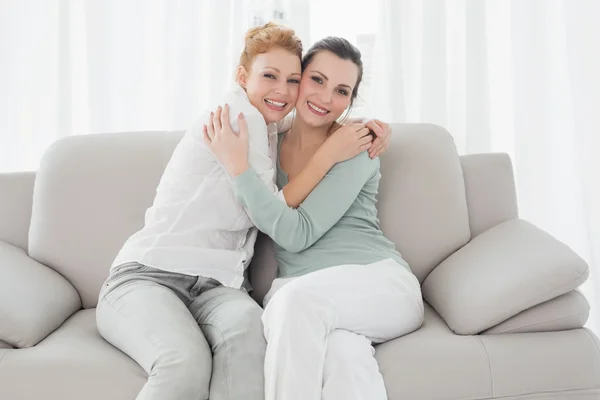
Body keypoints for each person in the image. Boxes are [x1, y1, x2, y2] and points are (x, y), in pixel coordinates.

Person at [96, 23, 380, 400]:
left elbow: (320, 119)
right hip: (150, 276)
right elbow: (271, 212)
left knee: (250, 348)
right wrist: (329, 154)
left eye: (293, 80)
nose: (282, 90)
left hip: (219, 286)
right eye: (269, 76)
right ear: (242, 76)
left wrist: (371, 128)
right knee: (184, 362)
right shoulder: (238, 119)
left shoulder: (270, 126)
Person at [204, 36, 425, 400]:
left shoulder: (357, 146)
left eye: (341, 90)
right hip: (310, 296)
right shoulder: (267, 143)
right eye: (317, 80)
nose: (325, 98)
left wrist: (238, 169)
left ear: (350, 102)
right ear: (298, 78)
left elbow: (296, 233)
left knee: (291, 304)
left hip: (380, 284)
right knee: (345, 358)